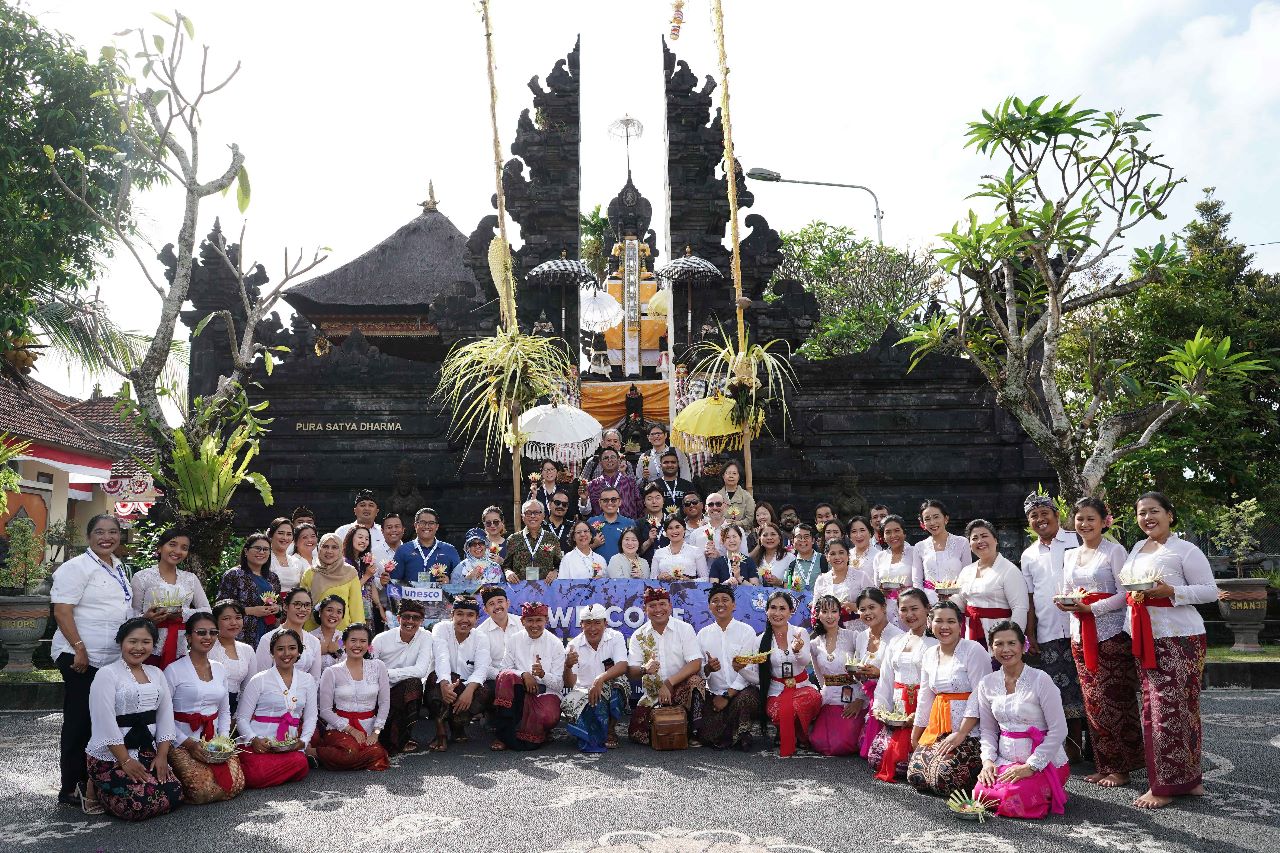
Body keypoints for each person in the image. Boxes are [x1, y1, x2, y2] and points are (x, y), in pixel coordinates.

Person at [1122, 491, 1216, 810]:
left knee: (1170, 710)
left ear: (1169, 515)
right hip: (1146, 635)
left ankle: (1165, 786)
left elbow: (1209, 591)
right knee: (1164, 707)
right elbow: (1129, 586)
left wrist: (1170, 591)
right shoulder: (1136, 548)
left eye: (1154, 511)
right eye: (1141, 513)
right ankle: (1189, 781)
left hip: (1180, 636)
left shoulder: (1185, 550)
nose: (1147, 518)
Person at [1058, 496, 1144, 788]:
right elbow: (1068, 589)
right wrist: (1066, 603)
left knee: (1115, 701)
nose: (1084, 524)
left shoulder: (1114, 551)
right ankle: (1104, 764)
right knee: (1092, 703)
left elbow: (1125, 594)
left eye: (1090, 519)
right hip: (1080, 634)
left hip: (1109, 635)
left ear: (1104, 520)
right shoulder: (1070, 554)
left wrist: (1093, 608)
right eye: (1080, 519)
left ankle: (1122, 768)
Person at [52, 514, 132, 808]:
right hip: (81, 657)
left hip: (109, 658)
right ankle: (70, 787)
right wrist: (79, 648)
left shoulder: (119, 566)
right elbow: (62, 611)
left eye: (112, 532)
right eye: (99, 532)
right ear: (89, 537)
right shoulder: (76, 567)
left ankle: (94, 782)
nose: (106, 537)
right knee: (79, 721)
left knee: (100, 721)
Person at [83, 617, 182, 820]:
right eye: (132, 641)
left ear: (153, 645)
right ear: (121, 643)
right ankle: (95, 790)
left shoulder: (157, 674)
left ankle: (110, 788)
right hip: (110, 755)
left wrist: (162, 755)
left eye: (145, 642)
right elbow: (104, 721)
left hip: (146, 750)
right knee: (139, 807)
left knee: (175, 793)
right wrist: (125, 760)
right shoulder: (106, 674)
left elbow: (165, 715)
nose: (138, 647)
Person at [971, 620, 1071, 819]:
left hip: (1044, 762)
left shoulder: (1041, 679)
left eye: (1011, 643)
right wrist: (988, 762)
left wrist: (1031, 766)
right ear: (991, 648)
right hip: (1005, 761)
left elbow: (1059, 730)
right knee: (980, 795)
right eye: (999, 644)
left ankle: (1043, 785)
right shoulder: (987, 684)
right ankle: (1033, 789)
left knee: (1013, 799)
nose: (1005, 649)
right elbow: (989, 730)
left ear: (1023, 646)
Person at [1020, 493, 1085, 760]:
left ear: (1057, 515)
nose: (1040, 519)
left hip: (1082, 626)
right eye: (1033, 516)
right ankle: (1072, 746)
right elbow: (1031, 597)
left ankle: (1100, 750)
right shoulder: (1028, 554)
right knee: (1060, 693)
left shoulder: (1077, 539)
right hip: (1049, 632)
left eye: (1044, 513)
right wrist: (1031, 633)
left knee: (1089, 689)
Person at [907, 601, 988, 797]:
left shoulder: (973, 650)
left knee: (944, 779)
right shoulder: (929, 654)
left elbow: (980, 694)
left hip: (971, 732)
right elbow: (926, 697)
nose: (945, 627)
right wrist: (916, 734)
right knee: (916, 776)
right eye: (939, 621)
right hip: (939, 729)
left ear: (960, 624)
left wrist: (961, 733)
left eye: (951, 621)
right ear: (929, 623)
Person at [165, 612, 244, 804]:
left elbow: (224, 711)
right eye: (201, 632)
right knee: (201, 790)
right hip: (182, 742)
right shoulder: (173, 670)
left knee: (237, 784)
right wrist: (189, 744)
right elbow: (163, 717)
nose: (207, 637)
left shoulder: (219, 668)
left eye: (212, 632)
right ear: (189, 637)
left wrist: (223, 739)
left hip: (214, 742)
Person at [870, 589, 938, 782]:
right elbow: (885, 679)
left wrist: (921, 715)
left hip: (924, 709)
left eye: (915, 608)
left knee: (907, 763)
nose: (909, 615)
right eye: (904, 609)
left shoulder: (936, 643)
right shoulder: (896, 641)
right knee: (876, 758)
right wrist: (880, 709)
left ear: (927, 609)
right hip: (899, 711)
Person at [235, 627, 316, 789]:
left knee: (300, 763)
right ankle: (263, 775)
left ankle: (264, 775)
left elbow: (311, 716)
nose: (286, 653)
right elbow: (242, 718)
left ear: (299, 651)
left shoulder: (308, 680)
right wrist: (253, 739)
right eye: (280, 649)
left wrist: (303, 741)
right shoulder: (259, 679)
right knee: (256, 773)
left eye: (292, 648)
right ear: (272, 653)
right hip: (257, 745)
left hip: (287, 747)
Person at [627, 587, 706, 745]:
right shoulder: (639, 635)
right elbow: (631, 671)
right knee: (637, 734)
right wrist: (645, 669)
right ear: (645, 609)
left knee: (696, 682)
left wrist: (669, 683)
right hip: (653, 695)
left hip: (680, 690)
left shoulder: (684, 629)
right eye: (652, 605)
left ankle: (694, 731)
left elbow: (696, 663)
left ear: (670, 606)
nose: (658, 609)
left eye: (662, 604)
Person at [752, 591, 820, 757]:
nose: (777, 613)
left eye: (782, 608)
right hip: (776, 690)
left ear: (790, 611)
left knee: (809, 700)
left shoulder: (800, 632)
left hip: (802, 687)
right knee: (779, 711)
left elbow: (804, 662)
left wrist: (797, 651)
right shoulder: (760, 640)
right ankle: (790, 733)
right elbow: (758, 677)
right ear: (766, 611)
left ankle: (798, 735)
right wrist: (739, 669)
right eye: (773, 608)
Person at [315, 623, 391, 771]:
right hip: (340, 727)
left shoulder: (378, 666)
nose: (358, 645)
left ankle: (338, 759)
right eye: (353, 640)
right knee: (350, 751)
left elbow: (384, 702)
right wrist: (351, 730)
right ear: (344, 643)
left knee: (377, 753)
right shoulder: (332, 672)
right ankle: (315, 752)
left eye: (363, 641)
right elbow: (325, 710)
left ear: (369, 645)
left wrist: (376, 733)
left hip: (369, 728)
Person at [131, 527, 209, 669]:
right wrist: (146, 619)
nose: (178, 551)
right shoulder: (142, 577)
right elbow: (132, 613)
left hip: (181, 646)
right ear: (159, 547)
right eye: (172, 544)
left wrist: (182, 613)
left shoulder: (190, 579)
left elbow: (206, 611)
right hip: (148, 645)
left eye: (184, 548)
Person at [493, 602, 565, 751]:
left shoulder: (555, 644)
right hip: (519, 692)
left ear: (546, 621)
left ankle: (540, 731)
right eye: (530, 620)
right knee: (506, 677)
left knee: (547, 716)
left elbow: (559, 685)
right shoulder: (514, 640)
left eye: (539, 620)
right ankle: (503, 735)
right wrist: (524, 674)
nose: (534, 625)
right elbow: (502, 669)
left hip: (545, 693)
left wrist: (543, 675)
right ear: (522, 622)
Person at [697, 584, 762, 750]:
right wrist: (708, 669)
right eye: (715, 601)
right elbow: (700, 671)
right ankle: (736, 732)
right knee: (707, 736)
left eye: (725, 600)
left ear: (734, 605)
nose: (720, 604)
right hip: (715, 694)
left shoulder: (746, 631)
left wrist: (727, 696)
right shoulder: (703, 634)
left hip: (741, 691)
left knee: (744, 700)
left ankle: (742, 732)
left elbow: (747, 670)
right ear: (709, 606)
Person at [562, 604, 631, 752]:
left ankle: (610, 730)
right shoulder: (573, 645)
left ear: (605, 623)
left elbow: (622, 666)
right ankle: (591, 733)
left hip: (606, 686)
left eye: (597, 623)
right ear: (581, 625)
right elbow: (570, 683)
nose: (592, 628)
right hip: (584, 692)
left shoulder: (615, 637)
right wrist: (567, 666)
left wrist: (600, 679)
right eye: (588, 623)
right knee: (568, 703)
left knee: (621, 683)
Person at [427, 596, 493, 750]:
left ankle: (458, 726)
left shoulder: (481, 637)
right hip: (440, 685)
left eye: (470, 615)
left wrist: (469, 691)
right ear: (452, 615)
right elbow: (441, 657)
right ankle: (440, 730)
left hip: (465, 685)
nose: (464, 619)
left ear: (477, 618)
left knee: (485, 690)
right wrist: (444, 683)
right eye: (460, 614)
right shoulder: (441, 628)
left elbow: (482, 668)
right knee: (437, 678)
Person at [951, 519, 1029, 646]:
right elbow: (960, 603)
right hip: (970, 631)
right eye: (974, 538)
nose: (980, 541)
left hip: (999, 636)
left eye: (984, 536)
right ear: (970, 544)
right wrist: (945, 597)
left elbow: (1020, 608)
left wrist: (1013, 640)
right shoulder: (967, 570)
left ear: (996, 540)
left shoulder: (1009, 570)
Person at [371, 598, 433, 755]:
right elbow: (370, 670)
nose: (410, 621)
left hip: (401, 689)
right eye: (406, 617)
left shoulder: (425, 637)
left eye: (416, 618)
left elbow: (420, 671)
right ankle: (384, 736)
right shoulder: (381, 639)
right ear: (398, 618)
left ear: (422, 621)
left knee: (413, 684)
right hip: (378, 690)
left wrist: (387, 673)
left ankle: (401, 738)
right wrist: (384, 678)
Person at [850, 588, 904, 760]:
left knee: (876, 753)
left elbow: (905, 676)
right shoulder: (860, 637)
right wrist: (858, 674)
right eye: (863, 609)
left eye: (872, 607)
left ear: (883, 607)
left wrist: (880, 673)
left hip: (891, 698)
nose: (867, 613)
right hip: (867, 697)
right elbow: (858, 673)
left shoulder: (898, 637)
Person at [808, 594, 862, 756]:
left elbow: (862, 673)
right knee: (819, 742)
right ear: (818, 615)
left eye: (834, 611)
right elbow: (819, 676)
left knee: (842, 744)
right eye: (825, 612)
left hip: (852, 697)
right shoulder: (814, 643)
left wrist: (860, 700)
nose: (830, 616)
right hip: (830, 698)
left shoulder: (853, 637)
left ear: (840, 613)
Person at [215, 534, 282, 648]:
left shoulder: (272, 577)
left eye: (266, 549)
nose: (261, 552)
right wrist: (251, 610)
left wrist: (277, 608)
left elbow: (280, 603)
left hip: (269, 630)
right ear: (246, 551)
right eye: (257, 548)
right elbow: (220, 607)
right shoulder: (234, 575)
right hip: (242, 633)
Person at [910, 499, 972, 603]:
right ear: (923, 523)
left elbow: (968, 576)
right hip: (929, 600)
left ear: (946, 518)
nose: (932, 522)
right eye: (927, 519)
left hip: (956, 599)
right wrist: (923, 603)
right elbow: (917, 581)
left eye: (936, 517)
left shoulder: (962, 542)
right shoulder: (919, 547)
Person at [254, 588, 323, 682]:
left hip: (304, 694)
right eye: (297, 604)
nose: (303, 609)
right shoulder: (268, 639)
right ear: (285, 607)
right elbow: (259, 677)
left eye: (307, 605)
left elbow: (315, 679)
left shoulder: (314, 642)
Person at [301, 533, 364, 632]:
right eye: (325, 546)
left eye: (334, 547)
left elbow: (357, 607)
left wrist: (359, 632)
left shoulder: (350, 573)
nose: (329, 551)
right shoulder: (310, 573)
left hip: (342, 633)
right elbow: (302, 606)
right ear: (319, 548)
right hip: (313, 631)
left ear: (340, 550)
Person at [209, 600, 258, 716]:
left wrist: (238, 716)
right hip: (208, 707)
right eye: (226, 619)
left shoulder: (247, 650)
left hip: (235, 709)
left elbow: (249, 688)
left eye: (238, 618)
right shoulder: (207, 647)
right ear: (215, 621)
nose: (234, 623)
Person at [813, 538, 873, 625]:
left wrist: (856, 607)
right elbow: (816, 609)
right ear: (827, 557)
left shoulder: (861, 576)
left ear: (848, 556)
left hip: (858, 629)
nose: (837, 557)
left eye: (841, 552)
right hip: (830, 630)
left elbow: (874, 603)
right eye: (832, 554)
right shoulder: (821, 580)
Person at [502, 500, 564, 581]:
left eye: (537, 512)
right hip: (520, 589)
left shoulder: (552, 538)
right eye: (528, 512)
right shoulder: (513, 539)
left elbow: (560, 565)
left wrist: (556, 572)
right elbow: (506, 566)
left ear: (543, 516)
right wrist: (508, 572)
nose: (532, 516)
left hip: (546, 588)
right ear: (522, 516)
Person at [334, 489, 395, 566]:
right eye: (362, 505)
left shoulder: (384, 533)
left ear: (377, 511)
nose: (367, 508)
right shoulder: (342, 531)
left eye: (371, 505)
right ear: (355, 510)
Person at [344, 526, 388, 633]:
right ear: (351, 538)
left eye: (367, 539)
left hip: (367, 608)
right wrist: (367, 575)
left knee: (366, 640)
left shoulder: (364, 561)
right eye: (360, 537)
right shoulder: (344, 563)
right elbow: (348, 590)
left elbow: (371, 585)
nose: (364, 541)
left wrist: (380, 607)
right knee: (347, 639)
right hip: (350, 609)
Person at [872, 514, 912, 629]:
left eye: (897, 531)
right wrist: (881, 591)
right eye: (888, 532)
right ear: (883, 536)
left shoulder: (914, 553)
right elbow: (876, 587)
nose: (893, 535)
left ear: (904, 533)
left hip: (909, 608)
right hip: (887, 609)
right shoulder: (879, 557)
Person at [476, 586, 524, 672]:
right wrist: (512, 675)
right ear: (485, 610)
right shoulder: (480, 633)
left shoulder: (523, 624)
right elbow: (484, 667)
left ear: (508, 603)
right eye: (491, 604)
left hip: (527, 676)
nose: (497, 606)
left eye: (500, 602)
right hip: (497, 680)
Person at [584, 448, 642, 519]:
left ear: (618, 460)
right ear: (600, 462)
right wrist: (584, 500)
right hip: (601, 527)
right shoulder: (593, 485)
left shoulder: (630, 482)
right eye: (606, 458)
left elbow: (639, 506)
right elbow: (587, 512)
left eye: (613, 457)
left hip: (628, 527)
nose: (609, 460)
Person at [651, 517, 710, 581]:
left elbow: (705, 579)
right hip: (664, 589)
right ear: (666, 532)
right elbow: (651, 580)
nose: (674, 531)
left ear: (684, 529)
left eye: (677, 527)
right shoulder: (659, 553)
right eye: (670, 528)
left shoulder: (696, 551)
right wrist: (659, 577)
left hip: (689, 589)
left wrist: (690, 581)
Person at [586, 486, 635, 563]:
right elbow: (580, 550)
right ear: (600, 503)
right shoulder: (591, 522)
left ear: (620, 502)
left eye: (614, 500)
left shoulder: (629, 523)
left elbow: (636, 550)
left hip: (622, 570)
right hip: (597, 570)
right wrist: (594, 545)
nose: (610, 503)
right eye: (605, 500)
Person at [699, 492, 749, 560]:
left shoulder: (738, 531)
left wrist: (719, 556)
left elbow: (744, 559)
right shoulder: (696, 534)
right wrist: (704, 555)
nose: (715, 507)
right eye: (711, 504)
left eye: (718, 504)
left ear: (725, 506)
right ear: (706, 508)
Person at [266, 517, 309, 592]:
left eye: (289, 534)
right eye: (280, 533)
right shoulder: (263, 559)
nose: (285, 538)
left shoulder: (297, 562)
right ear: (271, 535)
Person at [635, 482, 671, 562]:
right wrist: (649, 541)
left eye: (658, 498)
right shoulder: (638, 524)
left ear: (663, 500)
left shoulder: (672, 522)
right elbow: (634, 553)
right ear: (644, 502)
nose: (654, 501)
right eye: (649, 498)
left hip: (669, 568)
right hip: (646, 568)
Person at [750, 522, 794, 587]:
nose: (769, 538)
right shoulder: (755, 559)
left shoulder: (789, 558)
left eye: (773, 534)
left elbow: (796, 587)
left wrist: (780, 583)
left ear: (780, 538)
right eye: (765, 535)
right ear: (760, 539)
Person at [310, 595, 347, 673]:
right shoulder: (311, 637)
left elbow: (352, 663)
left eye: (339, 612)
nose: (333, 615)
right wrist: (317, 652)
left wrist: (338, 651)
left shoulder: (342, 639)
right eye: (329, 610)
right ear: (320, 612)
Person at [786, 523, 827, 591]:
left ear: (813, 540)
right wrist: (791, 587)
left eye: (806, 536)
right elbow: (787, 585)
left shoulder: (824, 560)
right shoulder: (791, 565)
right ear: (793, 541)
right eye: (799, 536)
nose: (803, 540)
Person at [718, 461, 755, 526]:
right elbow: (710, 516)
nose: (731, 476)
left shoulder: (746, 496)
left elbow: (750, 518)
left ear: (739, 476)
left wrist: (737, 524)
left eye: (734, 473)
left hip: (741, 533)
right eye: (728, 473)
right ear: (723, 476)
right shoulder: (716, 496)